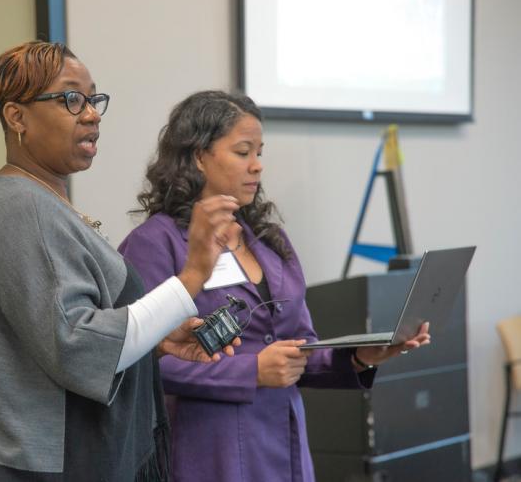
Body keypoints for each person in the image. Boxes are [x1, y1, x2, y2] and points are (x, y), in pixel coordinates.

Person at [0, 43, 241, 482]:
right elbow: (76, 345)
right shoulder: (23, 208)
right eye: (70, 99)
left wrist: (156, 338)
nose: (91, 114)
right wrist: (193, 275)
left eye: (93, 99)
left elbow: (59, 331)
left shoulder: (41, 201)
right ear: (16, 117)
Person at [118, 90, 431, 482]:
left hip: (285, 442)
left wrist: (358, 357)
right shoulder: (154, 243)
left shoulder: (269, 240)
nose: (257, 167)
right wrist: (250, 370)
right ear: (199, 156)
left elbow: (297, 347)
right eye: (243, 152)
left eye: (259, 153)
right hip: (209, 448)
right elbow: (141, 365)